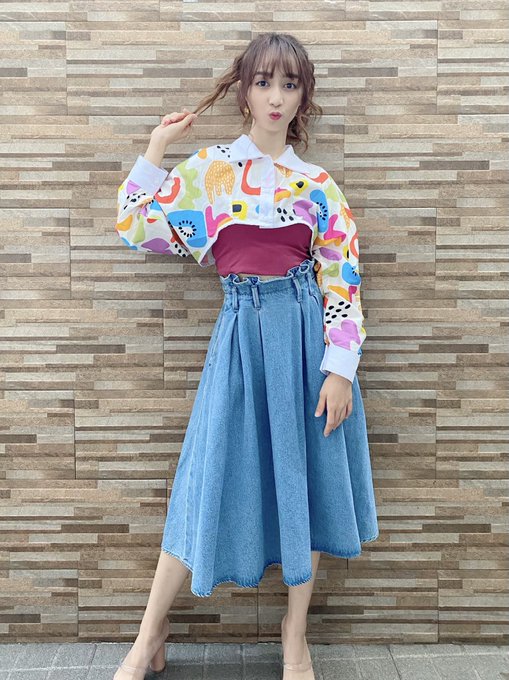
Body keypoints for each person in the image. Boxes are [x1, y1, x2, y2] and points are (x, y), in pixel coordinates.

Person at [113, 32, 379, 680]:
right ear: (244, 91)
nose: (275, 97)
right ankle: (148, 636)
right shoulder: (210, 172)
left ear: (303, 97)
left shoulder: (317, 186)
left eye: (289, 84)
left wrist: (339, 370)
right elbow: (136, 226)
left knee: (309, 483)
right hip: (238, 341)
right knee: (203, 479)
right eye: (263, 82)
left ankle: (295, 636)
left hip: (307, 346)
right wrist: (157, 148)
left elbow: (342, 281)